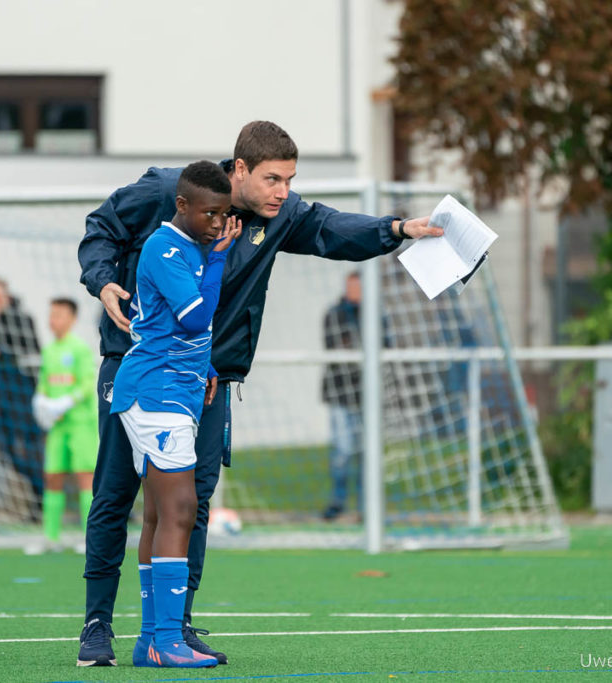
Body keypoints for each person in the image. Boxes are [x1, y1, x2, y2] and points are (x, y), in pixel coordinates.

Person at [76, 120, 444, 666]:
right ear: (239, 169)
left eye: (290, 180)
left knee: (189, 507)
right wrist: (102, 278)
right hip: (136, 369)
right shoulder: (169, 193)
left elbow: (333, 230)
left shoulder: (282, 214)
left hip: (207, 383)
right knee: (116, 498)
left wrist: (398, 229)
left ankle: (170, 628)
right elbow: (100, 227)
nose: (284, 192)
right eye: (273, 179)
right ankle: (96, 628)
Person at [111, 161, 239, 668]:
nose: (217, 223)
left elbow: (172, 327)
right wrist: (221, 260)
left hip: (169, 390)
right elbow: (196, 316)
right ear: (182, 206)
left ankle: (150, 642)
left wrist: (204, 363)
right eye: (210, 213)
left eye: (224, 215)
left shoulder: (188, 247)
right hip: (156, 393)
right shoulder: (166, 249)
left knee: (160, 514)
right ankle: (167, 640)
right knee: (182, 509)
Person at [0, 278, 44, 512]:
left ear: (6, 296)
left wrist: (0, 351)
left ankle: (39, 501)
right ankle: (38, 490)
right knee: (4, 446)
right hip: (0, 394)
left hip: (23, 392)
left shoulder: (21, 319)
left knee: (31, 447)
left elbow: (33, 348)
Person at [32, 298, 98, 545]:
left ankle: (89, 539)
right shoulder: (49, 351)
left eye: (59, 314)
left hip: (80, 423)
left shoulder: (79, 349)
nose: (53, 320)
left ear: (72, 319)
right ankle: (50, 537)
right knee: (52, 476)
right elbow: (45, 382)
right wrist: (41, 399)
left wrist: (67, 401)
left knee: (84, 477)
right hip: (57, 425)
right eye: (51, 314)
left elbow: (86, 384)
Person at [321, 271, 364, 520]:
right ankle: (338, 502)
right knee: (342, 452)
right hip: (339, 394)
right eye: (351, 287)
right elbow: (335, 345)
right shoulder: (335, 314)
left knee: (365, 453)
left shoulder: (374, 314)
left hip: (366, 396)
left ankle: (364, 506)